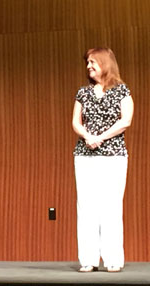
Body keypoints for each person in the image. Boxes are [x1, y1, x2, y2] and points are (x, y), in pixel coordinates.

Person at [72, 47, 134, 273]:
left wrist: (99, 137)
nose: (89, 66)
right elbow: (76, 122)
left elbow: (125, 120)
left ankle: (113, 259)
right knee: (86, 206)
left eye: (93, 62)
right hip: (85, 154)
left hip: (113, 156)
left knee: (111, 205)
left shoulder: (121, 91)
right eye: (87, 62)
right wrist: (87, 136)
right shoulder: (83, 93)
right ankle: (88, 259)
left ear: (105, 63)